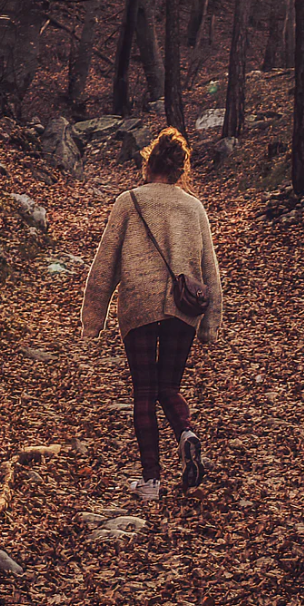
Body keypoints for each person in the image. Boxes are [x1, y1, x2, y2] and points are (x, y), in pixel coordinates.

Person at [81, 127, 224, 502]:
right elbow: (210, 268)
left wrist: (92, 319)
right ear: (180, 170)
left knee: (145, 390)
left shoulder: (128, 202)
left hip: (139, 305)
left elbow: (105, 262)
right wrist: (211, 322)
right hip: (183, 308)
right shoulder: (194, 207)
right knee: (169, 387)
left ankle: (151, 482)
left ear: (149, 164)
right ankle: (187, 435)